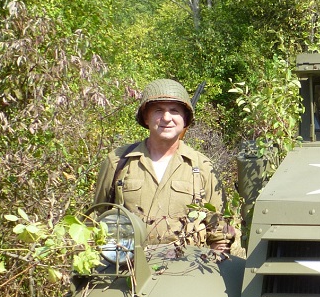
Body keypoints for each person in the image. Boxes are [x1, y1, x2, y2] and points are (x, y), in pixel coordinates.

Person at [93, 79, 234, 252]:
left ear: (185, 119)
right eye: (158, 110)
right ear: (146, 117)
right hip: (127, 266)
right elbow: (97, 220)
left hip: (185, 268)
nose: (166, 118)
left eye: (174, 111)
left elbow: (220, 234)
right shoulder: (118, 161)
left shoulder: (202, 166)